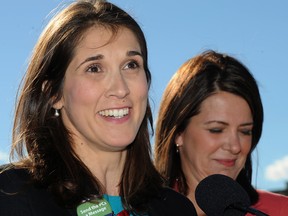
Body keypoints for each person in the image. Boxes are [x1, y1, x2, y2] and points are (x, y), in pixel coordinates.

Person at [0, 1, 197, 215]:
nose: (120, 89)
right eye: (94, 68)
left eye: (131, 65)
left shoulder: (177, 209)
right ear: (54, 94)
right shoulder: (12, 196)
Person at [154, 50, 288, 215]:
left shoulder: (280, 210)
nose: (235, 146)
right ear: (178, 133)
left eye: (245, 131)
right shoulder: (136, 211)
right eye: (216, 130)